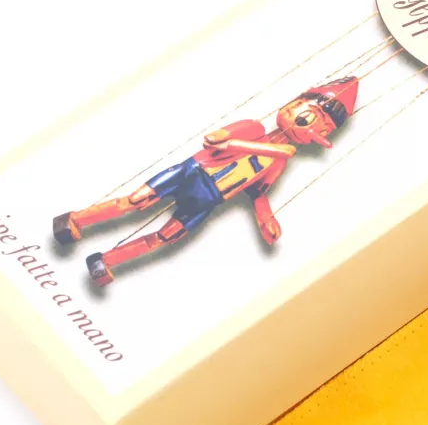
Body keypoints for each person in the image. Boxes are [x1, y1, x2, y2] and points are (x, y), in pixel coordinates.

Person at [52, 78, 358, 285]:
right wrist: (272, 149)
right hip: (191, 173)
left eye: (324, 129)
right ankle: (75, 220)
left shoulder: (279, 162)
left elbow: (257, 191)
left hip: (210, 199)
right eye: (311, 116)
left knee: (168, 235)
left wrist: (265, 219)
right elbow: (214, 141)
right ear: (295, 104)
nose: (312, 129)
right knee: (136, 200)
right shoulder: (254, 129)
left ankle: (105, 261)